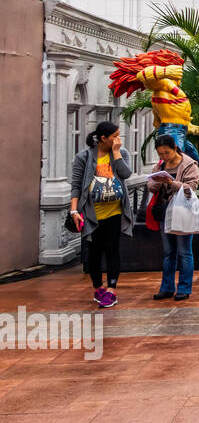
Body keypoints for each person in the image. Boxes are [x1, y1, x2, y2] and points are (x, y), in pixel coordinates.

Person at [69, 120, 134, 309]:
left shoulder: (121, 154)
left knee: (113, 249)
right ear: (103, 138)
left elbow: (125, 174)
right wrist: (74, 211)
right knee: (94, 252)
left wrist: (115, 154)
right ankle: (98, 287)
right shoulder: (84, 157)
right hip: (91, 213)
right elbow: (76, 186)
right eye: (115, 136)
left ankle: (112, 289)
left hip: (115, 211)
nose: (118, 140)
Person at [147, 134, 199, 301]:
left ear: (175, 148)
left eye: (167, 153)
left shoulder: (189, 165)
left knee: (184, 252)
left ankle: (184, 288)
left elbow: (190, 189)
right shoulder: (160, 165)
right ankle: (167, 287)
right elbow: (150, 187)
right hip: (165, 212)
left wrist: (170, 183)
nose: (164, 157)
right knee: (168, 252)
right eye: (161, 154)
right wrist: (157, 181)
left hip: (182, 212)